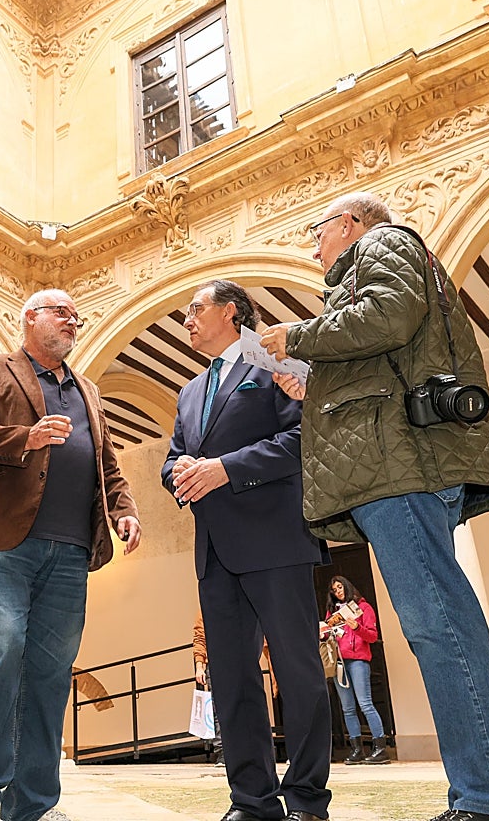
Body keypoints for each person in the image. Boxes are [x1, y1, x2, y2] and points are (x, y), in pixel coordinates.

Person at [260, 192, 489, 821]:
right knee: (439, 625)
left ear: (351, 224)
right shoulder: (363, 271)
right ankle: (485, 795)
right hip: (390, 467)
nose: (315, 244)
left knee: (441, 626)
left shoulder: (385, 243)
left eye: (319, 230)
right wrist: (309, 380)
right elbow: (380, 350)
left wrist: (295, 336)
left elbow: (388, 315)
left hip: (399, 469)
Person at [0, 289, 141, 821]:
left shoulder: (90, 392)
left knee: (52, 674)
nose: (73, 320)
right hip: (4, 543)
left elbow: (108, 464)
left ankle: (33, 804)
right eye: (61, 312)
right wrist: (26, 438)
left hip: (73, 549)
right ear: (29, 318)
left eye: (77, 315)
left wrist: (124, 509)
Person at [162, 280, 331, 821]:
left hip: (277, 540)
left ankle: (306, 798)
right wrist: (179, 473)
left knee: (297, 672)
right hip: (214, 551)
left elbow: (302, 437)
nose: (186, 320)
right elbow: (172, 459)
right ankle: (252, 801)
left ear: (231, 313)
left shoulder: (276, 365)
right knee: (233, 680)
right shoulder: (189, 391)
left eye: (195, 310)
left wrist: (226, 469)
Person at [321, 575, 389, 765]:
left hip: (358, 660)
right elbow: (328, 634)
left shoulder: (364, 608)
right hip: (339, 662)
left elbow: (372, 636)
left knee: (365, 703)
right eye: (334, 590)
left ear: (347, 587)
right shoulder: (332, 612)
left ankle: (380, 747)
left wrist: (357, 627)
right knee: (348, 708)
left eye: (340, 587)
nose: (338, 591)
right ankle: (357, 749)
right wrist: (323, 632)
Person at [192, 611, 224, 765]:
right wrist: (200, 666)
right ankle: (223, 753)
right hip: (215, 662)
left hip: (238, 661)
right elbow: (200, 635)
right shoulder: (208, 602)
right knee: (217, 710)